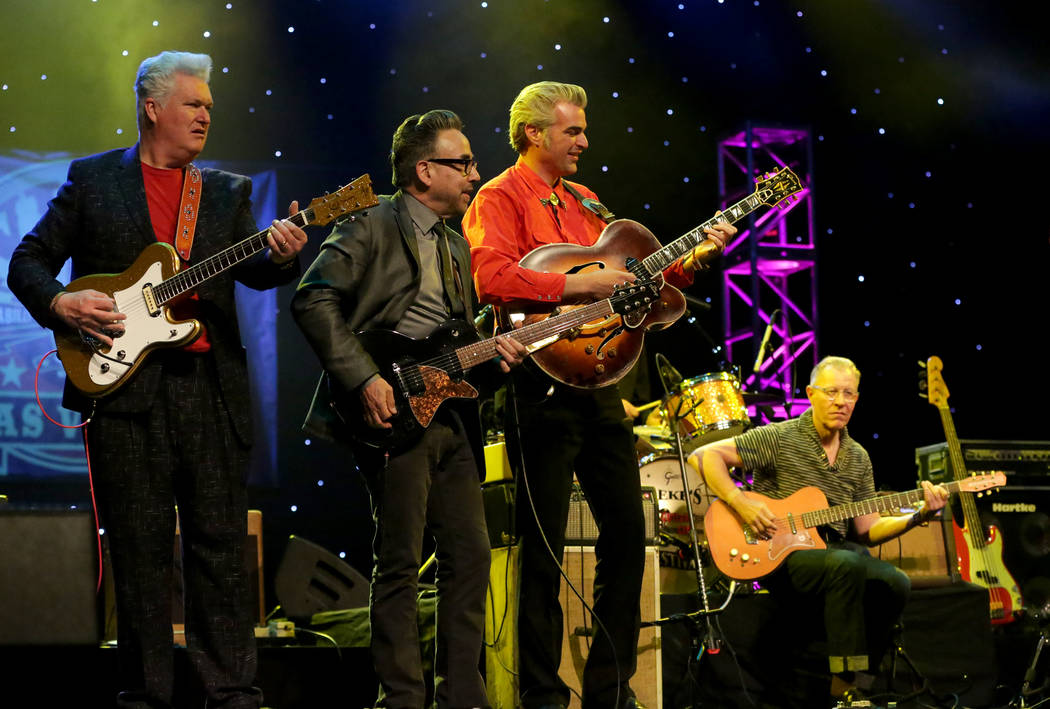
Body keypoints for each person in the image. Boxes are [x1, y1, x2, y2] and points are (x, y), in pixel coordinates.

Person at [6, 51, 307, 707]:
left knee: (221, 551)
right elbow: (27, 260)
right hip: (124, 397)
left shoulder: (226, 192)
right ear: (152, 107)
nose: (206, 114)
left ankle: (231, 691)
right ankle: (145, 692)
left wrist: (283, 257)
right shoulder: (92, 182)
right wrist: (59, 303)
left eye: (209, 106)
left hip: (210, 393)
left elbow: (254, 272)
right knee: (139, 555)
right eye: (193, 103)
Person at [461, 81, 736, 709]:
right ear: (534, 134)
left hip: (602, 383)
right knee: (543, 548)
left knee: (627, 537)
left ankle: (609, 692)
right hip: (538, 378)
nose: (585, 141)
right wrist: (578, 290)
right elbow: (489, 276)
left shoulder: (584, 200)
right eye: (573, 131)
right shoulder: (499, 196)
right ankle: (541, 694)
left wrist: (691, 261)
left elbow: (642, 285)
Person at [291, 109, 526, 709]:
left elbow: (453, 342)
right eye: (463, 162)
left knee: (470, 559)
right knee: (398, 558)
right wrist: (364, 378)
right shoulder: (370, 222)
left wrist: (493, 355)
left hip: (451, 416)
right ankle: (399, 698)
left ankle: (463, 698)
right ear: (425, 170)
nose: (476, 173)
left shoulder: (455, 243)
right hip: (392, 413)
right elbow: (314, 300)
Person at [689, 355, 949, 704]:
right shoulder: (782, 437)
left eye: (849, 394)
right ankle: (843, 687)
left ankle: (865, 680)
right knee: (848, 563)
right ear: (810, 394)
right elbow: (703, 456)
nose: (840, 402)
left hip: (832, 553)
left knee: (895, 582)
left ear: (857, 398)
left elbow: (867, 530)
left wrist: (918, 516)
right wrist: (741, 502)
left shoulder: (858, 457)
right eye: (831, 392)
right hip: (776, 553)